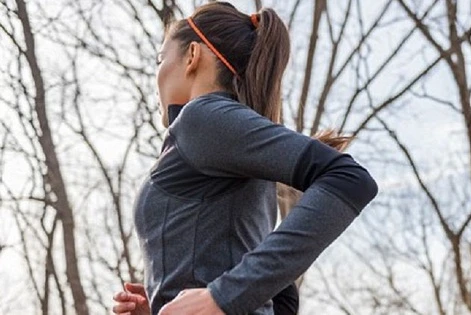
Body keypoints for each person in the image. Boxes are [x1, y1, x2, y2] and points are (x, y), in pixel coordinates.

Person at [112, 2, 378, 315]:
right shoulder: (224, 141)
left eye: (160, 58)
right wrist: (162, 303)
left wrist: (222, 297)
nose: (157, 74)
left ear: (192, 56)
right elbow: (281, 298)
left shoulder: (202, 118)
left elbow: (350, 179)